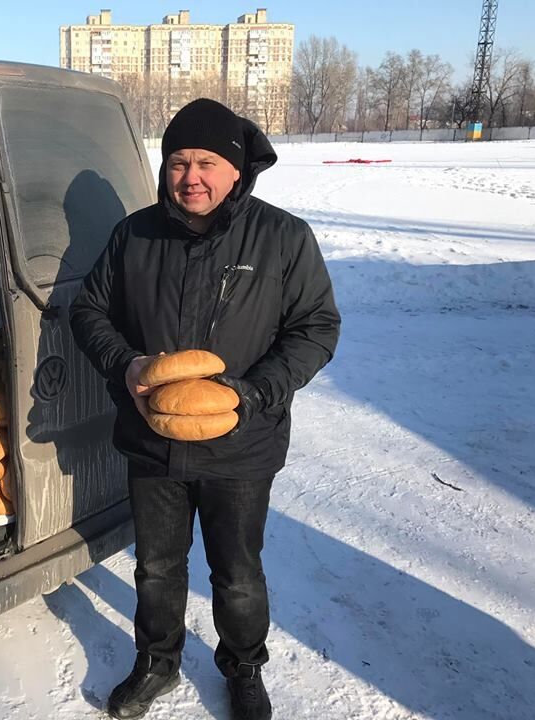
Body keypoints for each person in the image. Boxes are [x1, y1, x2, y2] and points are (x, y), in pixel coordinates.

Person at [69, 98, 341, 720]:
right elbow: (89, 312)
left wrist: (254, 395)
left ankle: (243, 668)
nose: (191, 175)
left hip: (241, 445)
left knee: (237, 572)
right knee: (157, 569)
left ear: (236, 171)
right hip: (151, 437)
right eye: (178, 161)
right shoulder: (133, 234)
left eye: (207, 162)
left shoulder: (283, 238)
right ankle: (156, 662)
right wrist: (127, 365)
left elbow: (317, 328)